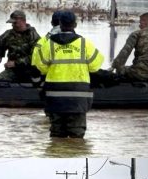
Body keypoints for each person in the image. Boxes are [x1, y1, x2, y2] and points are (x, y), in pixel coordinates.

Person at [31, 10, 103, 138]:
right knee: (77, 136)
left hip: (55, 95)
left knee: (57, 135)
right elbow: (95, 66)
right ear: (75, 25)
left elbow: (40, 67)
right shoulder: (84, 43)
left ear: (60, 24)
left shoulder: (49, 44)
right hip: (79, 96)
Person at [0, 10, 40, 82]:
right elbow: (0, 44)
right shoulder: (8, 34)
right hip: (12, 70)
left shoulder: (33, 36)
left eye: (15, 23)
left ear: (23, 21)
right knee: (0, 81)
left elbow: (36, 57)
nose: (13, 25)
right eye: (12, 23)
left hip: (29, 70)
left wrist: (16, 63)